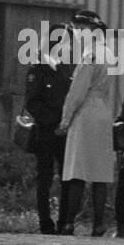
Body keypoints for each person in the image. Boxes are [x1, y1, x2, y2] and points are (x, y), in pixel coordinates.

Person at [56, 11, 118, 236]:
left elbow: (77, 92)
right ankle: (99, 224)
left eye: (78, 29)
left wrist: (65, 119)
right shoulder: (109, 54)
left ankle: (69, 223)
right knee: (100, 173)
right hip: (103, 111)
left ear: (89, 30)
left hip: (86, 113)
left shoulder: (89, 55)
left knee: (77, 170)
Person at [23, 23, 73, 234]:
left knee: (67, 178)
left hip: (66, 131)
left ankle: (65, 221)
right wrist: (52, 122)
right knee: (44, 177)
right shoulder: (39, 68)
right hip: (46, 131)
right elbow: (32, 102)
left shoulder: (68, 68)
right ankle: (45, 222)